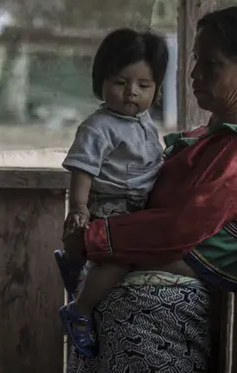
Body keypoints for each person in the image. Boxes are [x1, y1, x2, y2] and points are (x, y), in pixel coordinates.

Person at [64, 6, 237, 372]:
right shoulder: (203, 142)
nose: (194, 74)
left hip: (153, 327)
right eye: (195, 60)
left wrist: (94, 237)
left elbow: (180, 227)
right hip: (126, 321)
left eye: (212, 64)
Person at [53, 28, 170, 358]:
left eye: (143, 85)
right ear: (101, 81)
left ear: (156, 89)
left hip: (139, 205)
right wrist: (78, 207)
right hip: (110, 204)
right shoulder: (98, 126)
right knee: (121, 256)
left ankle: (76, 262)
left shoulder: (145, 122)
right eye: (121, 82)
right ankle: (79, 309)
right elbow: (82, 168)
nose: (131, 92)